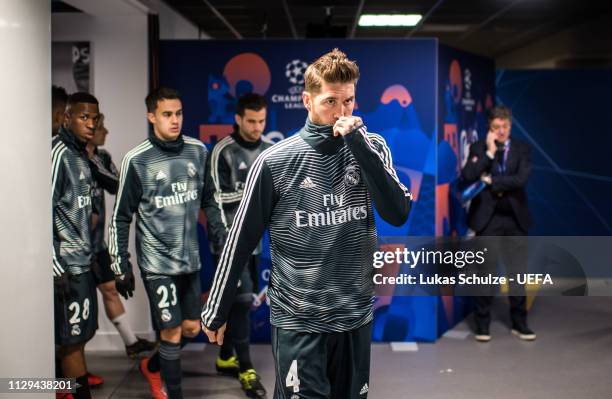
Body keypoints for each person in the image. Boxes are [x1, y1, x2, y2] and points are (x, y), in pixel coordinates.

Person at [202, 49, 412, 399]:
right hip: (299, 322)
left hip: (355, 316)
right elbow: (241, 238)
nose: (342, 112)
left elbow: (398, 212)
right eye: (331, 101)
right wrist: (218, 307)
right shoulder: (274, 161)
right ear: (307, 100)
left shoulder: (372, 146)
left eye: (349, 101)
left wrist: (357, 144)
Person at [109, 87, 220, 399]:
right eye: (167, 114)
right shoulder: (137, 159)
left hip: (190, 260)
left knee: (191, 329)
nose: (175, 120)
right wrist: (121, 264)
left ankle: (153, 365)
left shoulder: (198, 151)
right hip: (156, 262)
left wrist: (217, 233)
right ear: (151, 116)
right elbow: (121, 216)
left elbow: (210, 200)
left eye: (179, 113)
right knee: (170, 332)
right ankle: (174, 393)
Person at [207, 93, 273, 398]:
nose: (257, 127)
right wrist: (224, 241)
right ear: (238, 119)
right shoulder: (223, 151)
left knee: (239, 301)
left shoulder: (270, 151)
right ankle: (246, 369)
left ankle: (224, 357)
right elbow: (214, 199)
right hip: (229, 245)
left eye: (261, 121)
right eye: (251, 121)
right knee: (244, 300)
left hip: (256, 243)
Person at [461, 105, 535, 342]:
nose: (501, 131)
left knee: (517, 274)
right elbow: (468, 176)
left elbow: (520, 179)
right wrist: (490, 154)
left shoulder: (522, 149)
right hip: (487, 219)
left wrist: (492, 180)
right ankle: (483, 326)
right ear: (489, 128)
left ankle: (520, 323)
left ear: (510, 127)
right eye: (496, 127)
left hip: (515, 219)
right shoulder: (478, 148)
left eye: (504, 127)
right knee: (485, 275)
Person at [87, 113, 157, 358]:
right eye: (101, 127)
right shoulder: (70, 159)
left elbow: (117, 184)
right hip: (74, 247)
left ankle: (131, 342)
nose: (105, 132)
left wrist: (94, 164)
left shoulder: (101, 157)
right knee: (78, 313)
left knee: (110, 288)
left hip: (97, 243)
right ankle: (66, 376)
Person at [52, 92, 100, 399]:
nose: (91, 124)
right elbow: (41, 208)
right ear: (66, 118)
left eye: (94, 118)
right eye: (84, 117)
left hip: (84, 260)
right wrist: (55, 265)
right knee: (71, 341)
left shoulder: (83, 154)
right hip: (66, 265)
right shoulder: (57, 153)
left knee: (82, 336)